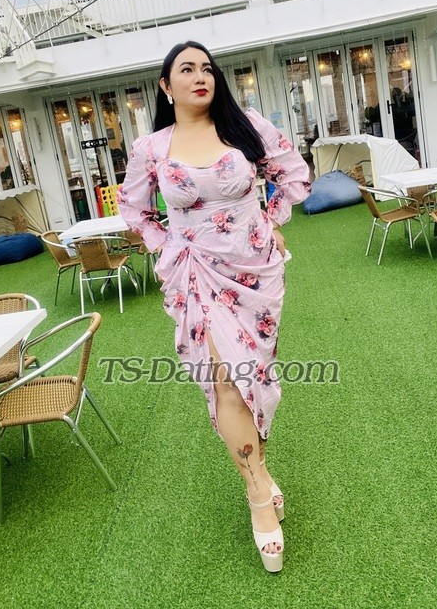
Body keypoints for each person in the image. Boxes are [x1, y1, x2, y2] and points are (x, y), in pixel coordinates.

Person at [117, 41, 310, 572]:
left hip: (255, 277)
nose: (200, 76)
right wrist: (167, 245)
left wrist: (269, 220)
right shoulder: (152, 148)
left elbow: (293, 174)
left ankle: (261, 472)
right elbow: (133, 208)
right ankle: (257, 494)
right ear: (166, 86)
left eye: (207, 68)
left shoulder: (245, 125)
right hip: (196, 277)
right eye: (187, 69)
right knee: (227, 380)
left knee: (254, 381)